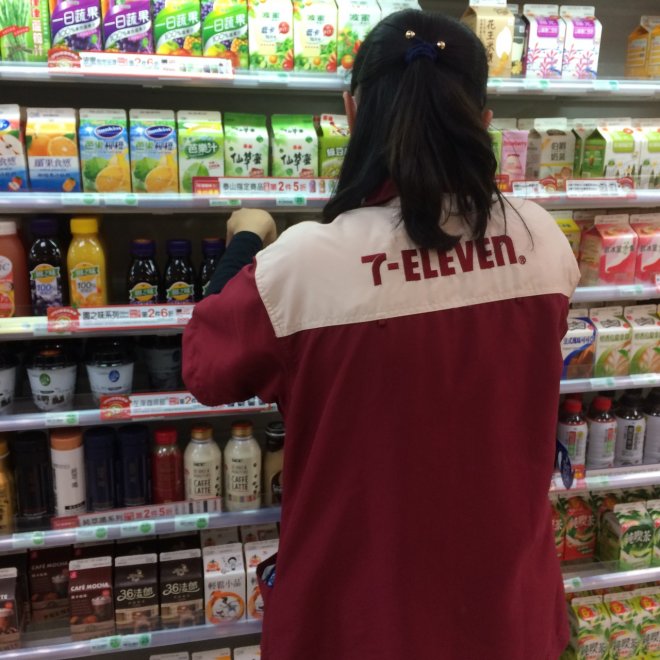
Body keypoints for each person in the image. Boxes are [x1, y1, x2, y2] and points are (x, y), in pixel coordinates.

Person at [183, 9, 580, 660]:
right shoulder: (542, 241)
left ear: (351, 112)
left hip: (354, 624)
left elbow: (205, 368)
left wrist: (246, 240)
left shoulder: (302, 265)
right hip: (508, 616)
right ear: (483, 121)